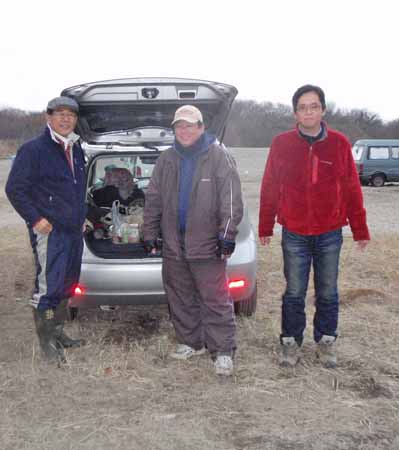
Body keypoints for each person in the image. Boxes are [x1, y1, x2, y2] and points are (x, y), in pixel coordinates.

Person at [258, 85, 370, 369]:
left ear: (323, 110)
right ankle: (290, 343)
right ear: (295, 113)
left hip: (329, 231)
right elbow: (270, 185)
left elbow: (351, 187)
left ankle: (326, 341)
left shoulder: (339, 143)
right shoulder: (281, 143)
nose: (308, 112)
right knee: (294, 291)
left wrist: (360, 229)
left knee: (328, 291)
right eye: (303, 107)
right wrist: (265, 225)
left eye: (314, 106)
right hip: (294, 232)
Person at [143, 105, 244, 376]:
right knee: (180, 297)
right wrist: (150, 233)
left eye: (189, 125)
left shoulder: (219, 157)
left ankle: (223, 351)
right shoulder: (166, 160)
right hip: (174, 245)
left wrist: (226, 236)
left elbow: (231, 200)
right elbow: (153, 199)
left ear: (201, 127)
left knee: (216, 299)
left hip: (207, 245)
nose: (184, 131)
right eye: (179, 126)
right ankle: (191, 342)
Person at [5, 96, 88, 364]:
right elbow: (15, 189)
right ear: (48, 117)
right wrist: (35, 219)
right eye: (59, 113)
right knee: (49, 287)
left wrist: (81, 216)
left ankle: (58, 331)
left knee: (68, 284)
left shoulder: (76, 148)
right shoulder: (34, 150)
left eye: (70, 115)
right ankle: (48, 343)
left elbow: (77, 189)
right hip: (50, 232)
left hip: (73, 231)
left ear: (76, 120)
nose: (65, 119)